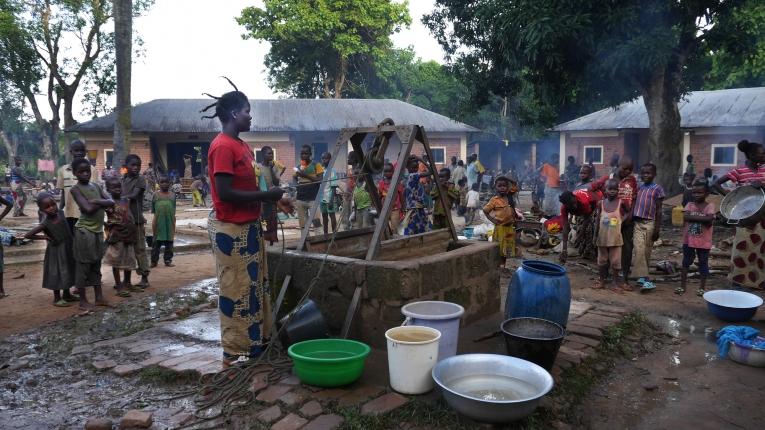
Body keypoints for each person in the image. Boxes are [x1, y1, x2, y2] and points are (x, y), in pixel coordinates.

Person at [202, 83, 291, 364]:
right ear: (232, 113)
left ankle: (255, 343)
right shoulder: (222, 147)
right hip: (232, 229)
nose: (250, 117)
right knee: (237, 289)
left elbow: (251, 183)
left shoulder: (240, 145)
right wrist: (267, 196)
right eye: (246, 111)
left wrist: (274, 201)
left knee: (254, 287)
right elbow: (225, 192)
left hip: (249, 227)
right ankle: (235, 349)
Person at [714, 139, 765, 290]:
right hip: (744, 217)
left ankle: (757, 282)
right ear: (751, 155)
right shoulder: (739, 171)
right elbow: (715, 184)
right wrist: (731, 198)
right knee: (742, 248)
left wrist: (762, 185)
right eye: (762, 154)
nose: (764, 156)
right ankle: (739, 281)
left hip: (762, 218)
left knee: (760, 249)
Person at [70, 158, 114, 311]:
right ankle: (82, 300)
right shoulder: (75, 189)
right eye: (81, 171)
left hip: (97, 231)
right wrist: (101, 202)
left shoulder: (95, 185)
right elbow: (86, 209)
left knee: (96, 263)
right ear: (75, 173)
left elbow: (111, 201)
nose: (85, 174)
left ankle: (99, 297)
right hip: (84, 231)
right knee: (83, 266)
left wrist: (95, 200)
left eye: (87, 171)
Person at [23, 193, 77, 306]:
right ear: (41, 209)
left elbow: (67, 229)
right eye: (47, 207)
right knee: (56, 273)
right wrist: (44, 236)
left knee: (68, 270)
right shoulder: (45, 222)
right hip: (56, 252)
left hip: (67, 246)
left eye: (53, 204)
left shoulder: (61, 213)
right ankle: (57, 299)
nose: (52, 208)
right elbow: (28, 235)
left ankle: (67, 294)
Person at [590, 156, 637, 280]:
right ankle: (604, 277)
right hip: (609, 220)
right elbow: (591, 188)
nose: (628, 172)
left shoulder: (631, 180)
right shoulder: (608, 179)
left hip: (626, 221)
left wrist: (630, 215)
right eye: (625, 169)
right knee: (606, 245)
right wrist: (600, 202)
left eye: (630, 170)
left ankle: (625, 277)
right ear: (618, 166)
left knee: (626, 248)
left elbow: (635, 198)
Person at [631, 163, 665, 290]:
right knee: (638, 250)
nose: (645, 175)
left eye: (648, 173)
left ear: (654, 174)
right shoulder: (639, 188)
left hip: (650, 223)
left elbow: (659, 210)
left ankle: (643, 278)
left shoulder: (658, 189)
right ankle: (646, 278)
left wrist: (657, 228)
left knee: (646, 251)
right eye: (643, 173)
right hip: (637, 223)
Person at [678, 180, 715, 296]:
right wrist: (704, 218)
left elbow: (709, 220)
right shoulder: (689, 205)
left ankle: (702, 287)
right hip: (688, 240)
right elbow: (686, 217)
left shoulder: (710, 206)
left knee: (703, 262)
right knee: (685, 262)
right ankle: (682, 286)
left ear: (707, 193)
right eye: (694, 193)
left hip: (704, 242)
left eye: (700, 192)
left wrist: (693, 217)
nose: (696, 195)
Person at [103, 176, 137, 297]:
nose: (117, 189)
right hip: (117, 234)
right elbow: (102, 216)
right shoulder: (108, 203)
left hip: (129, 233)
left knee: (129, 258)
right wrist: (107, 226)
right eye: (114, 187)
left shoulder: (126, 200)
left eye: (119, 187)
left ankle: (127, 282)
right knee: (116, 260)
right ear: (108, 189)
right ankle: (119, 285)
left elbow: (130, 214)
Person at [594, 178, 631, 292]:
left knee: (615, 262)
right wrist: (595, 235)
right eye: (610, 189)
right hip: (602, 237)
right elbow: (597, 219)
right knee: (602, 261)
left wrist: (622, 220)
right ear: (605, 190)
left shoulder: (621, 202)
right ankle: (601, 281)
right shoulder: (601, 203)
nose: (612, 191)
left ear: (618, 190)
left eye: (615, 189)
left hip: (615, 238)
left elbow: (628, 212)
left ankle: (615, 283)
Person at [121, 154, 151, 289]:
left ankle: (144, 276)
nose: (135, 168)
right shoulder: (123, 180)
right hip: (124, 220)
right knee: (126, 249)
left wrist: (117, 198)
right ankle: (126, 280)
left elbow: (133, 196)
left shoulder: (140, 179)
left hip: (137, 220)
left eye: (138, 165)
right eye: (132, 165)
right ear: (126, 166)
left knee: (139, 249)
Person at [558, 188, 600, 263]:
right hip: (583, 210)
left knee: (591, 229)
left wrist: (580, 235)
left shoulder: (584, 202)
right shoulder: (564, 208)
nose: (574, 206)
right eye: (570, 205)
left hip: (596, 202)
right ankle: (584, 250)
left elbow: (587, 218)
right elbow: (565, 227)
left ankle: (595, 253)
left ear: (574, 197)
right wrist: (564, 250)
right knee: (579, 230)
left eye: (574, 203)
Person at [483, 177, 517, 269]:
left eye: (504, 186)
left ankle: (503, 265)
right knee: (499, 248)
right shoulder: (494, 200)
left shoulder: (510, 195)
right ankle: (498, 266)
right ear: (495, 187)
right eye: (499, 186)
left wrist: (504, 177)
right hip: (500, 228)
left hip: (509, 228)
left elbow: (514, 183)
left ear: (507, 187)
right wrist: (493, 220)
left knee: (507, 248)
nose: (502, 188)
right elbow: (485, 210)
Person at [256, 146, 284, 243]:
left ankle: (273, 240)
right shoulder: (258, 167)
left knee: (273, 220)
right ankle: (264, 241)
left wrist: (272, 170)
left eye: (272, 153)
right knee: (263, 220)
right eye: (269, 153)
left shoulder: (274, 167)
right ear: (263, 155)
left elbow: (276, 183)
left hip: (272, 199)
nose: (271, 155)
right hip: (262, 199)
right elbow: (256, 183)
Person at [293, 145, 324, 229]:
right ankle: (306, 241)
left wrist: (305, 175)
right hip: (301, 199)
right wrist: (297, 186)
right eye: (302, 154)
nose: (303, 156)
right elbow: (294, 178)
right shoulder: (298, 167)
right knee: (303, 225)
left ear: (310, 154)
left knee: (317, 223)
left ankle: (318, 241)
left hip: (313, 199)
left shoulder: (316, 165)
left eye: (306, 153)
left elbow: (320, 180)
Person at [151, 176, 176, 268]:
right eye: (162, 182)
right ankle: (154, 261)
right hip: (158, 222)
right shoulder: (155, 195)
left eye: (166, 182)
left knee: (169, 242)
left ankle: (168, 260)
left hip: (170, 221)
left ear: (169, 183)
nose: (164, 184)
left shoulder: (173, 195)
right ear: (159, 183)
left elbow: (174, 209)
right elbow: (153, 209)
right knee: (156, 243)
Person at [403, 155, 430, 235]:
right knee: (417, 229)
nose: (415, 170)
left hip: (416, 208)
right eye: (413, 167)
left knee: (416, 230)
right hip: (415, 209)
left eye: (416, 167)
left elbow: (405, 193)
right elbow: (431, 171)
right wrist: (420, 159)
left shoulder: (410, 177)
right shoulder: (413, 176)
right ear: (407, 168)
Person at [377, 162, 404, 233]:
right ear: (383, 172)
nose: (388, 173)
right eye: (386, 171)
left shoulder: (397, 183)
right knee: (384, 228)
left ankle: (394, 240)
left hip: (395, 209)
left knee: (394, 227)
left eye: (390, 171)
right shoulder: (381, 183)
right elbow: (379, 196)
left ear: (393, 172)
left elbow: (401, 195)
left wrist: (403, 207)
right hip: (385, 209)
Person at [319, 152, 339, 235]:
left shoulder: (332, 171)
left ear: (330, 160)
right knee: (324, 216)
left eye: (326, 158)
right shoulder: (321, 170)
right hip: (322, 198)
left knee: (332, 216)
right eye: (323, 158)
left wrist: (331, 200)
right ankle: (325, 234)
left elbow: (334, 187)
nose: (324, 160)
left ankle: (334, 234)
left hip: (329, 197)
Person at [340, 151, 359, 231]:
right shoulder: (350, 170)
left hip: (355, 194)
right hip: (347, 194)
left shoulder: (358, 170)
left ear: (354, 159)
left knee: (354, 212)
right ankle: (346, 228)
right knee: (346, 212)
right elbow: (348, 182)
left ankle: (354, 228)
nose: (347, 159)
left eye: (349, 157)